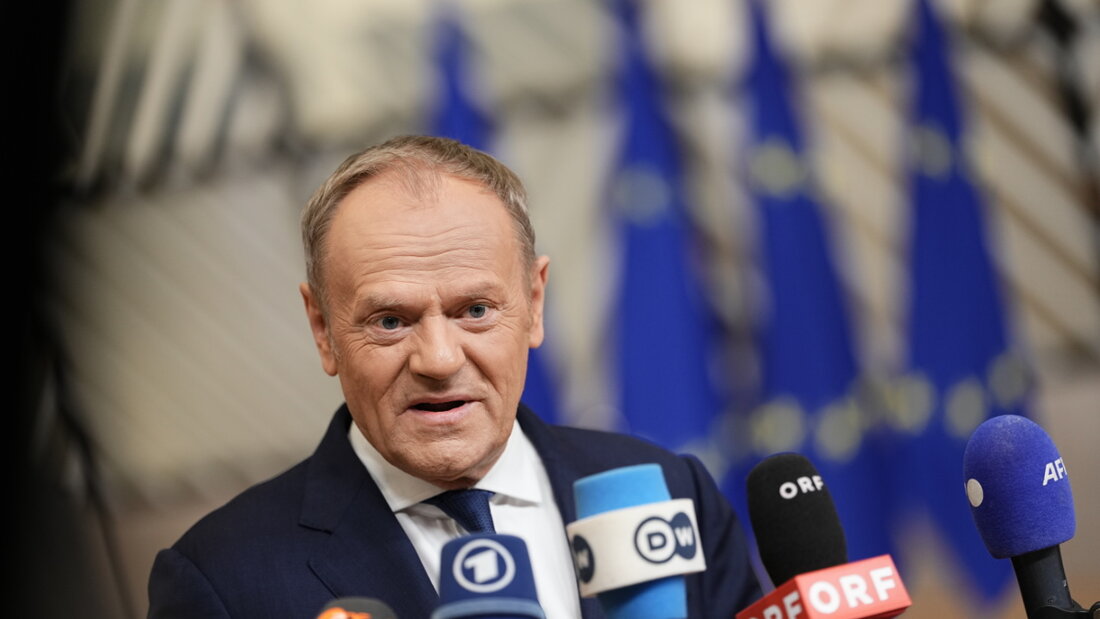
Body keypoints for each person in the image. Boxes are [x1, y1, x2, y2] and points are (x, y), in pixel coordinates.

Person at [147, 135, 762, 618]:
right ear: (322, 328)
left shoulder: (669, 493)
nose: (439, 360)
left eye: (475, 311)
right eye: (390, 321)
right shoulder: (224, 579)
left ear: (534, 302)